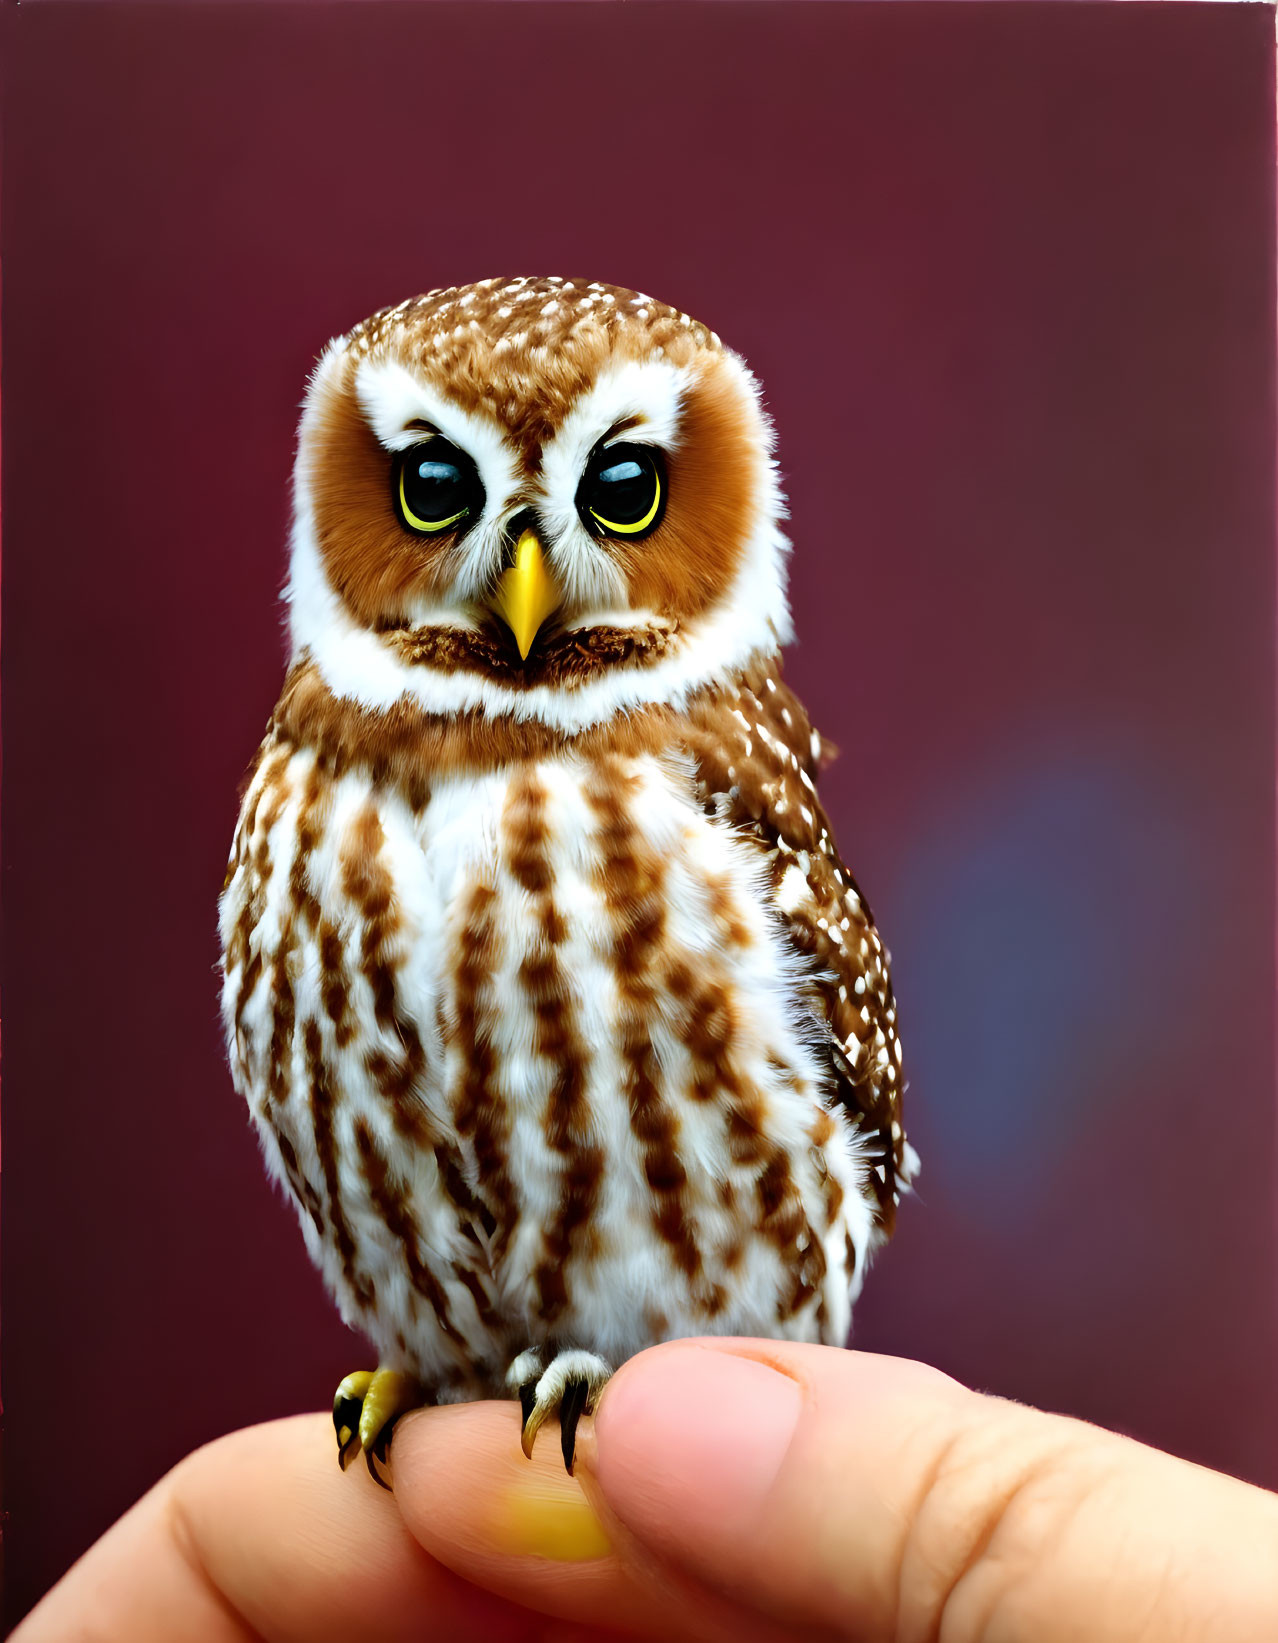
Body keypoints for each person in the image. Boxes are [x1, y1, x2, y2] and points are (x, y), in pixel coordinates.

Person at [13, 1338, 1278, 1640]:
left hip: (682, 1396)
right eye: (456, 627)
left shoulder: (709, 765)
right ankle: (434, 1364)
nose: (519, 640)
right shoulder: (292, 807)